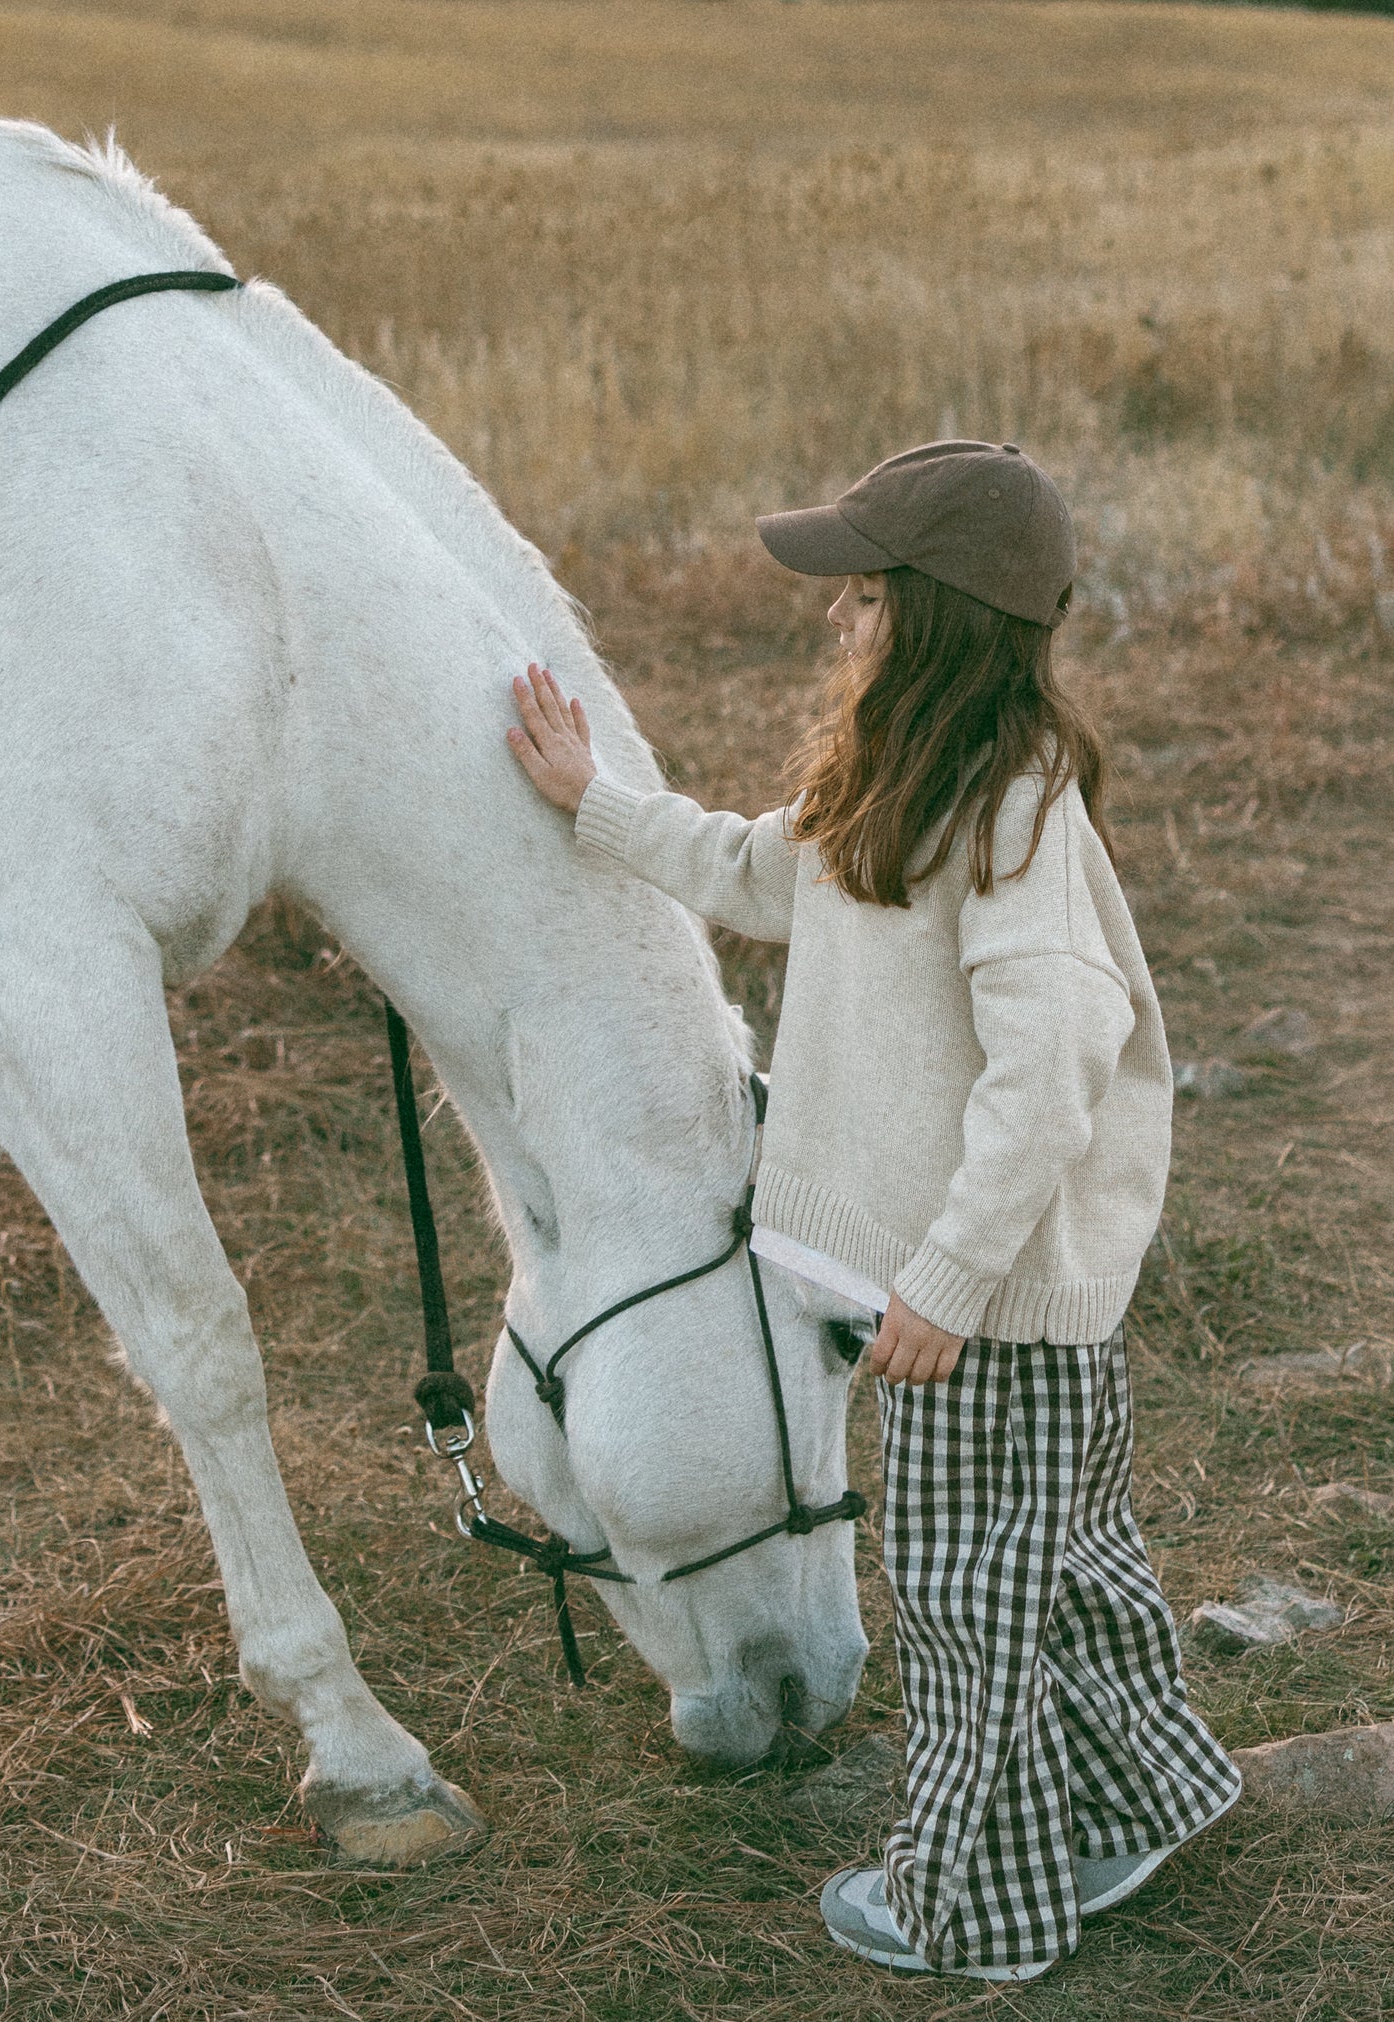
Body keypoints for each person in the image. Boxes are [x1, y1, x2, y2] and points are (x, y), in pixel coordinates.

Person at [507, 440, 1241, 1983]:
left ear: (939, 618)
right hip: (972, 1302)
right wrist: (599, 806)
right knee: (1068, 1560)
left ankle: (973, 1906)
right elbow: (757, 871)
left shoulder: (1012, 813)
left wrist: (951, 1280)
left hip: (984, 1311)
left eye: (864, 596)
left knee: (971, 1602)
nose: (838, 619)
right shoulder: (903, 785)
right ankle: (1148, 1789)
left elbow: (1051, 1070)